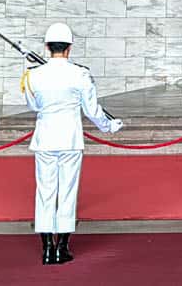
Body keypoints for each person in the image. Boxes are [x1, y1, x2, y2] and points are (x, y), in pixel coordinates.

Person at [21, 23, 124, 266]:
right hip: (69, 139)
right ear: (69, 49)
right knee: (67, 191)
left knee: (45, 192)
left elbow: (33, 106)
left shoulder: (33, 74)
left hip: (45, 139)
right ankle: (62, 248)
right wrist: (109, 126)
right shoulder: (80, 74)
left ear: (47, 47)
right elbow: (91, 110)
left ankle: (47, 249)